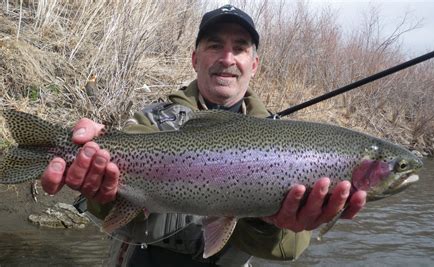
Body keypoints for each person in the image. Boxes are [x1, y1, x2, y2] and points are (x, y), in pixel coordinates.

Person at [41, 4, 366, 266]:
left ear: (254, 65)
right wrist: (101, 190)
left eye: (239, 48)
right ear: (195, 59)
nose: (227, 59)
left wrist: (270, 220)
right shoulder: (150, 123)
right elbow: (110, 210)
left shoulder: (286, 144)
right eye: (215, 46)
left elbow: (289, 250)